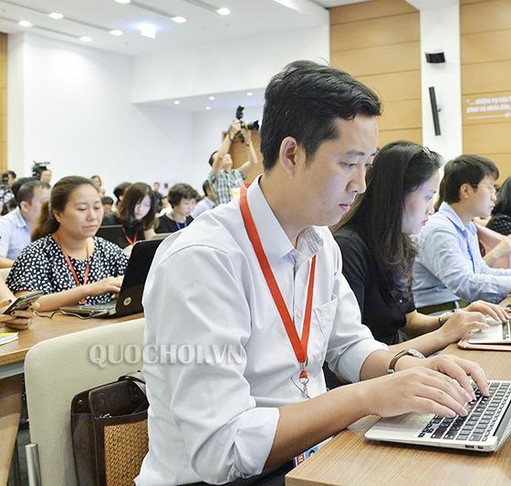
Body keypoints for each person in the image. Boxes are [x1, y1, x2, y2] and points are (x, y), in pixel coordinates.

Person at [137, 60, 488, 485]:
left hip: (311, 458)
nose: (361, 185)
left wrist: (410, 367)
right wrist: (366, 396)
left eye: (367, 165)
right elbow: (223, 449)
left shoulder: (319, 241)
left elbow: (348, 345)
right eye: (348, 164)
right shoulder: (205, 260)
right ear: (291, 153)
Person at [332, 140, 508, 352]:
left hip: (396, 361)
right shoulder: (348, 248)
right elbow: (351, 356)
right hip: (375, 374)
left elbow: (410, 321)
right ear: (396, 195)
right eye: (427, 197)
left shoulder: (400, 243)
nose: (431, 210)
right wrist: (444, 334)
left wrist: (454, 319)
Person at [412, 155, 511, 310]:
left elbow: (481, 271)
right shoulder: (439, 229)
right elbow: (465, 284)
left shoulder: (467, 226)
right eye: (490, 188)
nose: (494, 196)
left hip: (460, 309)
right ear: (466, 190)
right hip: (437, 315)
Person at [6, 176, 127, 312]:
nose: (92, 216)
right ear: (58, 214)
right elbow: (25, 303)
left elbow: (137, 285)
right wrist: (88, 290)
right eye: (82, 209)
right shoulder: (37, 253)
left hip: (102, 331)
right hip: (57, 332)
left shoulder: (107, 250)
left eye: (97, 207)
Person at [0, 180, 50, 268]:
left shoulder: (52, 223)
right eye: (44, 202)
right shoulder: (5, 225)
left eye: (51, 202)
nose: (49, 206)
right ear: (25, 206)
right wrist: (30, 267)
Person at [207, 121, 259, 205]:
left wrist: (248, 141)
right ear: (215, 164)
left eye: (226, 154)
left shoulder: (237, 173)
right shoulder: (215, 177)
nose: (226, 156)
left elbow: (253, 162)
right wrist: (230, 134)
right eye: (223, 156)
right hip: (224, 215)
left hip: (239, 213)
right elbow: (220, 157)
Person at [102, 182, 157, 249]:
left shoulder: (145, 223)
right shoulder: (109, 220)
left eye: (146, 205)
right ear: (128, 202)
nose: (141, 209)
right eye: (137, 203)